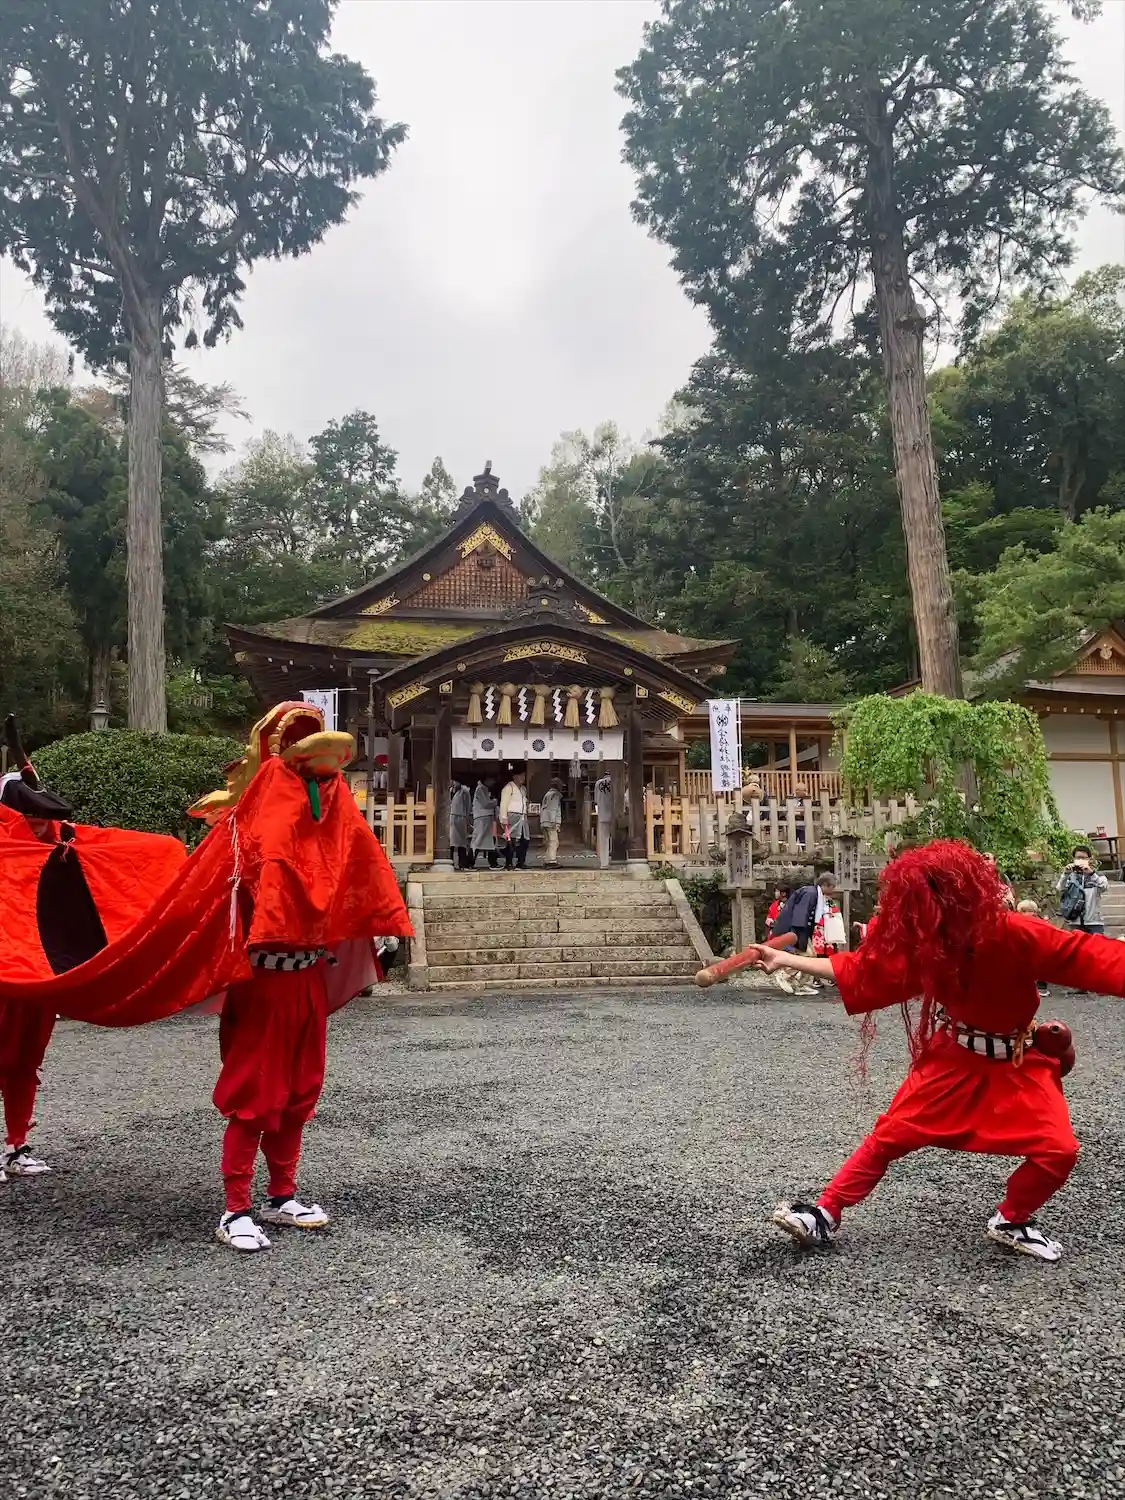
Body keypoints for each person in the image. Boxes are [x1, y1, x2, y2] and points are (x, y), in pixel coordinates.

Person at [758, 839, 1125, 1263]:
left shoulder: (1016, 933)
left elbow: (1087, 956)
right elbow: (863, 970)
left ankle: (1012, 1219)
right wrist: (785, 959)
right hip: (954, 1056)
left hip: (1019, 1059)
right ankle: (824, 1213)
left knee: (1058, 1149)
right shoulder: (931, 947)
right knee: (891, 1135)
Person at [0, 718, 186, 1181]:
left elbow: (135, 849)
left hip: (41, 970)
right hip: (5, 969)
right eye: (32, 818)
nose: (42, 825)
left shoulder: (64, 840)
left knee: (25, 1060)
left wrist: (177, 856)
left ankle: (16, 1145)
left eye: (45, 818)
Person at [771, 872, 837, 994]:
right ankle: (785, 974)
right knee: (807, 956)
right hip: (795, 929)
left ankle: (800, 984)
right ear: (825, 885)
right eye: (833, 887)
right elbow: (800, 915)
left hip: (799, 929)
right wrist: (799, 937)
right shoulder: (810, 893)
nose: (834, 890)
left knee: (810, 956)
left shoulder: (814, 893)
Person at [1057, 845, 1108, 936]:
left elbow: (1104, 887)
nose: (1080, 860)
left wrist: (1091, 874)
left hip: (1094, 922)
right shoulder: (1070, 875)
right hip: (1074, 921)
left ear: (1089, 859)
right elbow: (1060, 889)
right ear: (1073, 859)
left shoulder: (1097, 875)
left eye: (1083, 858)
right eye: (1078, 858)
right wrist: (1065, 874)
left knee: (1097, 944)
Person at [499, 768, 530, 870]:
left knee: (524, 839)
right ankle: (508, 863)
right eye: (521, 775)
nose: (523, 778)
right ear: (514, 776)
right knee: (511, 840)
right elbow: (503, 804)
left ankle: (521, 862)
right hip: (512, 815)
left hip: (522, 816)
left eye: (524, 775)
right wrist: (503, 818)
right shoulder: (508, 788)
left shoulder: (523, 789)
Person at [470, 778, 499, 869]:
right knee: (478, 839)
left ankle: (493, 862)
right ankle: (470, 862)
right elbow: (485, 804)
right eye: (491, 779)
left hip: (486, 817)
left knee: (489, 841)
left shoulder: (484, 789)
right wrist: (495, 802)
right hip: (482, 817)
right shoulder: (481, 789)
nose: (493, 782)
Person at [539, 777, 565, 867]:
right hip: (551, 821)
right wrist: (554, 821)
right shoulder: (555, 795)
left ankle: (547, 859)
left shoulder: (547, 794)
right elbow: (553, 809)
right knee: (554, 841)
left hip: (544, 820)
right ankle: (551, 861)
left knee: (548, 842)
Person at [449, 779, 472, 870]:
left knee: (461, 842)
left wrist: (466, 816)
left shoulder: (465, 791)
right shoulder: (450, 790)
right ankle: (450, 862)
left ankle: (462, 863)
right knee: (451, 841)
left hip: (460, 817)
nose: (454, 783)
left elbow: (468, 805)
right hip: (451, 817)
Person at [594, 772, 614, 869]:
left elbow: (596, 800)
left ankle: (604, 863)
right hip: (614, 813)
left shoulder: (598, 783)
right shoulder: (615, 781)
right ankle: (616, 860)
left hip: (602, 813)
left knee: (604, 839)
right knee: (617, 837)